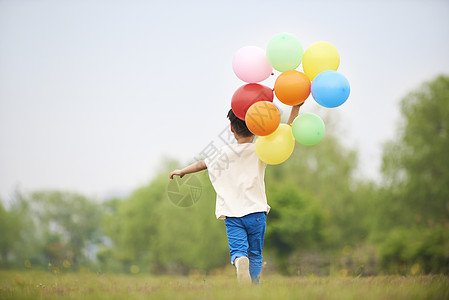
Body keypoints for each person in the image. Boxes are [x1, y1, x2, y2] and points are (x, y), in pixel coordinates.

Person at [169, 103, 303, 285]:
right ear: (257, 128)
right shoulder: (261, 150)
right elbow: (285, 132)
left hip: (233, 215)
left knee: (239, 252)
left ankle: (239, 261)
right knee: (255, 255)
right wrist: (295, 109)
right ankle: (252, 288)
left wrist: (183, 170)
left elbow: (202, 163)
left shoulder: (222, 153)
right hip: (256, 213)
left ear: (231, 128)